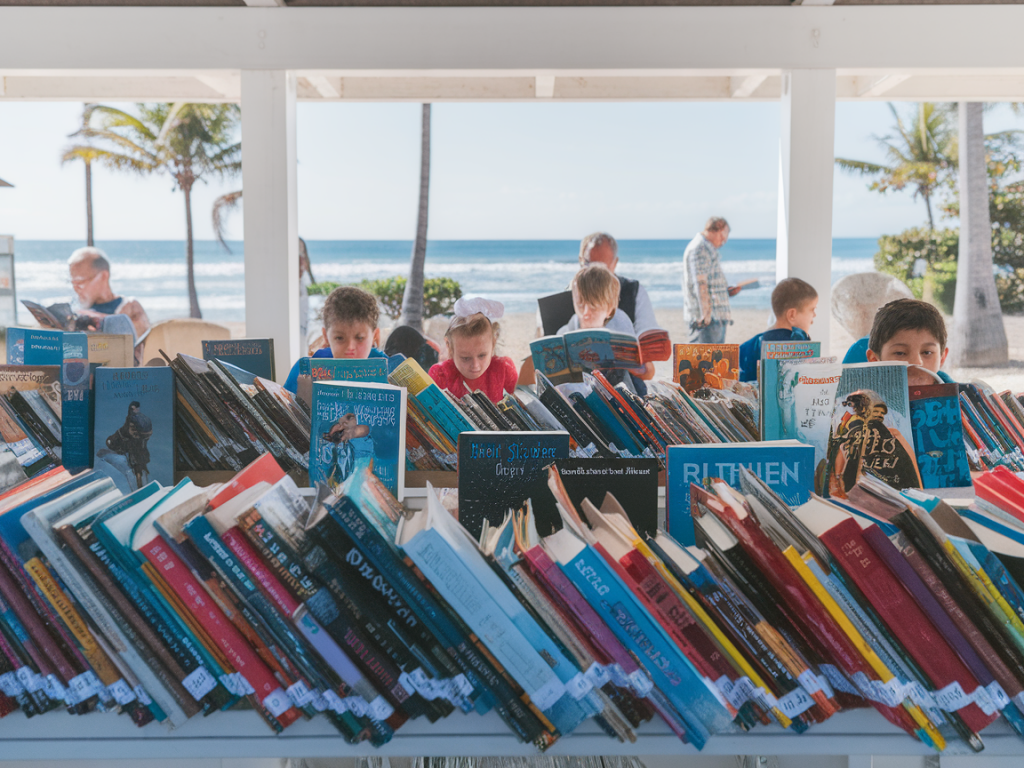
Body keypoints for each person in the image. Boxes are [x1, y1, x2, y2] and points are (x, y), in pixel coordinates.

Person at [558, 263, 651, 393]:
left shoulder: (619, 321)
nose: (585, 313)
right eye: (580, 304)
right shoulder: (569, 326)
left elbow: (636, 375)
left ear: (609, 310)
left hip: (619, 392)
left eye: (593, 308)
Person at [283, 285, 388, 393]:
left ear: (375, 336)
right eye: (339, 338)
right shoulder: (303, 371)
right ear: (326, 337)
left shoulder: (389, 372)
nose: (350, 348)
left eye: (360, 338)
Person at [428, 297, 518, 403]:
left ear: (493, 343)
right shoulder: (441, 374)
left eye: (482, 356)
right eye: (465, 358)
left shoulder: (503, 368)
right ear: (449, 346)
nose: (475, 365)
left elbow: (522, 404)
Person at [577, 233, 659, 335]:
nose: (595, 276)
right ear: (581, 261)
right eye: (590, 265)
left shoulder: (634, 292)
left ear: (614, 264)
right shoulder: (569, 295)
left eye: (602, 268)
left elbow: (648, 334)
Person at [738, 277, 818, 382]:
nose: (814, 315)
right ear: (792, 315)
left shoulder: (747, 346)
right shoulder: (801, 347)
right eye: (812, 310)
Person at [862, 298, 954, 386]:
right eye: (900, 353)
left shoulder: (960, 399)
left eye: (927, 352)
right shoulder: (861, 398)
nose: (916, 362)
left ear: (942, 358)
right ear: (874, 360)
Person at [67, 247, 151, 340]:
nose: (76, 289)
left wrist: (93, 319)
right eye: (73, 283)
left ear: (103, 276)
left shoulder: (129, 307)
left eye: (80, 282)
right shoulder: (75, 309)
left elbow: (143, 347)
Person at [682, 217, 739, 344]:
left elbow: (707, 282)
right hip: (708, 320)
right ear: (717, 228)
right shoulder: (701, 248)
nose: (724, 240)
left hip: (712, 318)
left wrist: (726, 291)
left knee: (710, 361)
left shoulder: (705, 247)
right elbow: (701, 283)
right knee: (707, 362)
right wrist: (706, 315)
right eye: (724, 234)